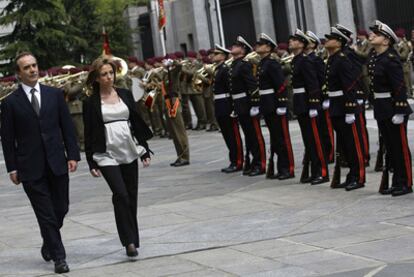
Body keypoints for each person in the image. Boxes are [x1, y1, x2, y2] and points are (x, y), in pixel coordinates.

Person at [0, 52, 80, 273]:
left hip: (57, 162)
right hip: (30, 167)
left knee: (61, 208)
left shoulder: (55, 95)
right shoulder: (10, 103)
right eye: (26, 68)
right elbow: (7, 139)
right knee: (45, 213)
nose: (33, 70)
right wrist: (12, 167)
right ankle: (59, 258)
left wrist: (72, 154)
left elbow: (67, 128)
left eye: (34, 66)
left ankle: (48, 240)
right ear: (19, 74)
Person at [82, 57, 153, 257]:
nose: (109, 77)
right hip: (106, 154)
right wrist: (90, 161)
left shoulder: (125, 95)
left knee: (131, 196)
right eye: (103, 74)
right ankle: (128, 241)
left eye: (111, 73)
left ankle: (132, 237)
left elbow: (136, 123)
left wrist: (144, 150)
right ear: (96, 78)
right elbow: (89, 133)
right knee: (120, 194)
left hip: (129, 149)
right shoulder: (90, 102)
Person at [368, 21, 413, 196]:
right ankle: (396, 180)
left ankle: (406, 182)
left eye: (376, 34)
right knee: (390, 147)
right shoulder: (376, 58)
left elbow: (400, 86)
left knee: (399, 146)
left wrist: (400, 110)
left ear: (386, 41)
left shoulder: (391, 60)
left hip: (393, 108)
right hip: (382, 107)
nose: (372, 36)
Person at [324, 27, 366, 191]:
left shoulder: (342, 59)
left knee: (353, 144)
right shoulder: (333, 59)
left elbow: (350, 85)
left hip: (344, 105)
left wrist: (350, 108)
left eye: (331, 38)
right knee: (344, 144)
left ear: (339, 42)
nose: (327, 41)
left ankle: (359, 176)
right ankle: (351, 175)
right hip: (336, 105)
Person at [289, 29, 328, 185]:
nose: (290, 42)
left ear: (301, 43)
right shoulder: (296, 60)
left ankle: (322, 172)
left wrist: (313, 103)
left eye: (294, 40)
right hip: (300, 102)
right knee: (308, 140)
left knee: (315, 139)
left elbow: (313, 83)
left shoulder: (305, 61)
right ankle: (313, 170)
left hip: (307, 102)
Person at [255, 33, 295, 180]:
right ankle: (280, 167)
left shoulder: (272, 63)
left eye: (260, 44)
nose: (257, 46)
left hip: (274, 103)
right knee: (275, 138)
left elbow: (281, 85)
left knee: (282, 138)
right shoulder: (262, 63)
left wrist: (282, 103)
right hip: (267, 104)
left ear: (268, 47)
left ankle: (287, 168)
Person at [229, 36, 266, 176]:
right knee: (248, 136)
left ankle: (260, 164)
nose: (232, 47)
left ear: (243, 49)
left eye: (236, 45)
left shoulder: (244, 65)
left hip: (246, 103)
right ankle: (250, 162)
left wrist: (255, 104)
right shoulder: (234, 64)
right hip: (239, 104)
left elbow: (253, 85)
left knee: (254, 136)